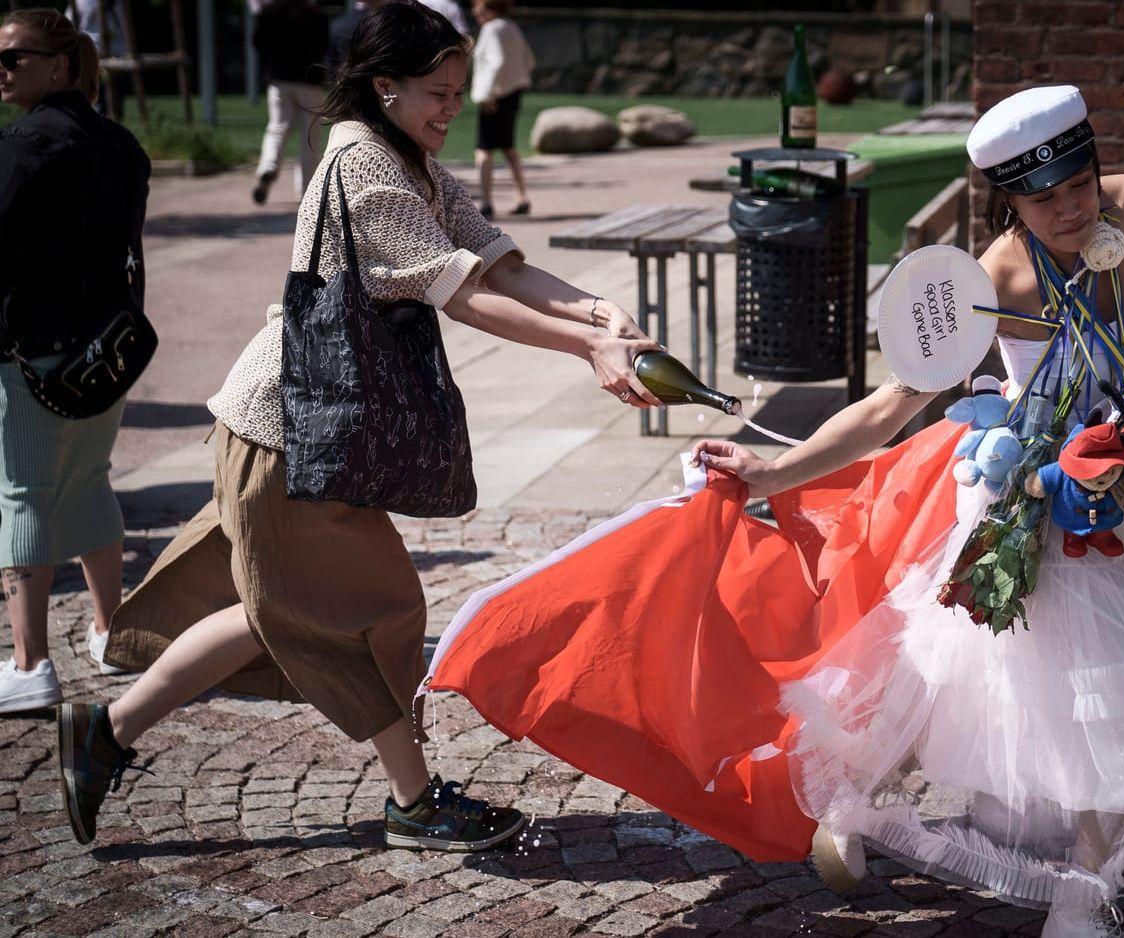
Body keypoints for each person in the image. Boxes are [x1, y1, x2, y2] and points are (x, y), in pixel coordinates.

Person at [421, 86, 1124, 937]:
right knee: (1010, 681)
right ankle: (1059, 886)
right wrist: (773, 470)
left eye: (1078, 183)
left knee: (1004, 681)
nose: (1071, 207)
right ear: (1006, 200)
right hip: (1013, 499)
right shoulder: (987, 278)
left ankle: (862, 812)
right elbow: (886, 408)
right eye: (1045, 198)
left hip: (1107, 490)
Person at [55, 0, 663, 853]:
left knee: (281, 610)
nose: (453, 107)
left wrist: (601, 314)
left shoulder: (406, 156)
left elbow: (497, 258)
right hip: (290, 428)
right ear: (385, 86)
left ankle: (105, 732)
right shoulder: (364, 166)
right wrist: (587, 349)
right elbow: (465, 295)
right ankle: (414, 802)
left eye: (458, 91)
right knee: (367, 611)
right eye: (437, 93)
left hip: (293, 426)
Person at [0, 8, 149, 712]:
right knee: (89, 481)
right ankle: (110, 631)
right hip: (106, 348)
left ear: (57, 66)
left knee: (22, 494)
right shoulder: (120, 143)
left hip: (29, 348)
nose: (1, 71)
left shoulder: (24, 144)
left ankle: (29, 666)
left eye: (11, 58)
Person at [250, 0, 329, 204]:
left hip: (278, 79)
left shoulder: (269, 12)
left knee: (277, 128)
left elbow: (258, 43)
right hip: (309, 82)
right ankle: (306, 189)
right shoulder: (316, 15)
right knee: (309, 137)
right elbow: (323, 48)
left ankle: (268, 166)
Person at [470, 0, 532, 218]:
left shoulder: (491, 28)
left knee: (484, 150)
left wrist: (486, 93)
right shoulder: (511, 26)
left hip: (493, 97)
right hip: (513, 94)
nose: (474, 12)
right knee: (509, 147)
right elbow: (529, 60)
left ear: (489, 8)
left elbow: (496, 60)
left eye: (477, 8)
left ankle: (486, 202)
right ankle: (522, 196)